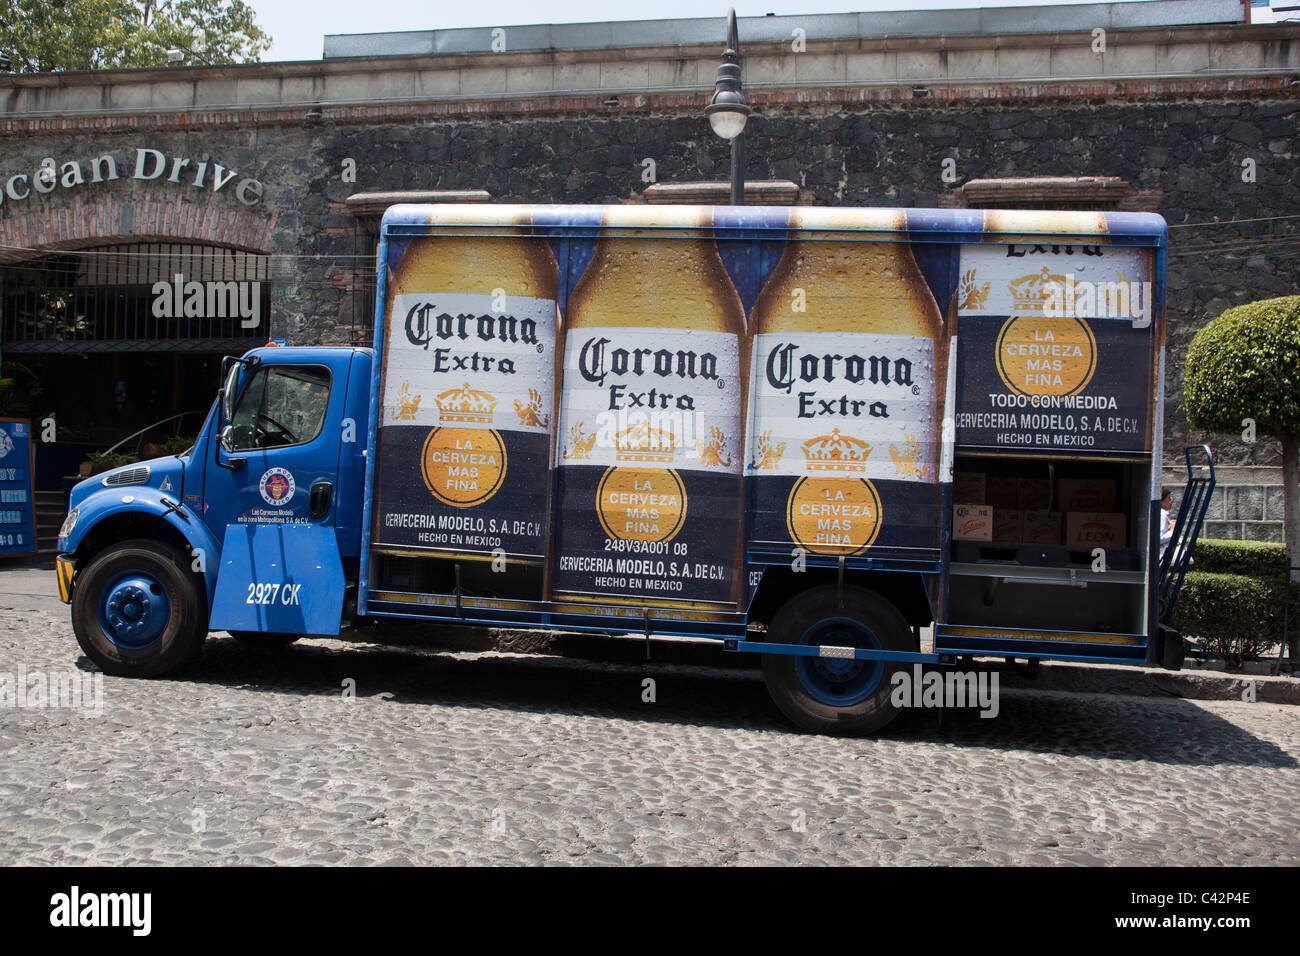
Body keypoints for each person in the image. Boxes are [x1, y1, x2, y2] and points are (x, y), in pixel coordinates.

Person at [1159, 486, 1175, 557]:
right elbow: (1159, 538)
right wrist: (1173, 531)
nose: (1171, 501)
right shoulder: (1162, 514)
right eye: (1168, 498)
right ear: (1162, 501)